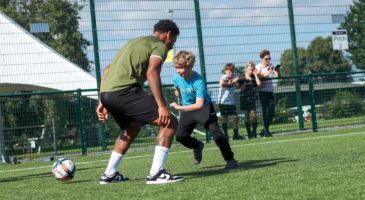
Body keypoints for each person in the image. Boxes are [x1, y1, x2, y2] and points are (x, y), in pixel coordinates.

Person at [96, 19, 184, 185]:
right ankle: (156, 173)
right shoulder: (160, 45)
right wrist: (161, 106)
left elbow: (108, 69)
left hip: (108, 93)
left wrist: (102, 100)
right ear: (168, 34)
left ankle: (109, 174)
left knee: (132, 127)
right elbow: (152, 72)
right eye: (173, 41)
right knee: (170, 121)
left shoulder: (134, 42)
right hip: (125, 91)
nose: (172, 46)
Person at [169, 50, 239, 169]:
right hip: (188, 109)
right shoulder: (177, 78)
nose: (177, 70)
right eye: (176, 67)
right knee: (180, 136)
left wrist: (179, 107)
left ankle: (230, 159)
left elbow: (199, 105)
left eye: (180, 67)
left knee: (216, 132)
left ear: (189, 66)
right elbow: (175, 84)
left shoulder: (198, 81)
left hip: (204, 108)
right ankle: (197, 145)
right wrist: (177, 90)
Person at [255, 49, 281, 137]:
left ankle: (264, 129)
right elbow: (259, 76)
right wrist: (268, 72)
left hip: (270, 91)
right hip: (262, 92)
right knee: (264, 111)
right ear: (262, 59)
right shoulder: (258, 67)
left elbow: (277, 77)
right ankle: (266, 131)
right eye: (266, 59)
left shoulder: (271, 65)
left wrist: (277, 71)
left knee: (271, 111)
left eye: (269, 58)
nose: (268, 60)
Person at [217, 63, 243, 140]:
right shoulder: (224, 77)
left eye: (232, 72)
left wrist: (240, 79)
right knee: (225, 118)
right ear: (225, 71)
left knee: (235, 117)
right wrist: (234, 81)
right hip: (223, 102)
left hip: (231, 102)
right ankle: (225, 135)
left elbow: (241, 78)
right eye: (229, 72)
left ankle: (236, 134)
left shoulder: (235, 76)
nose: (231, 73)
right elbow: (222, 83)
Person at [239, 61, 261, 139]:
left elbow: (258, 84)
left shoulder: (254, 76)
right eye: (249, 69)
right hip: (244, 98)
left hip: (252, 98)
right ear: (246, 68)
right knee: (246, 116)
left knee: (254, 116)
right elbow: (239, 88)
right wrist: (245, 80)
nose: (250, 70)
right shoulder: (242, 77)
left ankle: (254, 131)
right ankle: (249, 133)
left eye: (252, 69)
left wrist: (254, 75)